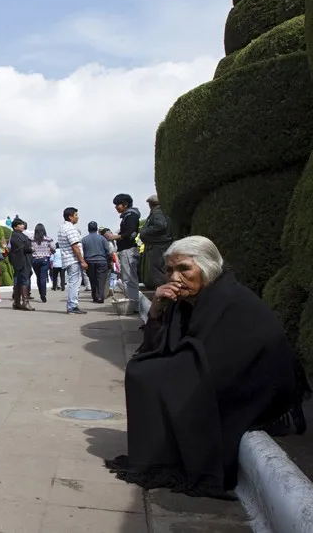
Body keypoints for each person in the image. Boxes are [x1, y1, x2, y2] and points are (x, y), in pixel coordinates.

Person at [106, 236, 311, 498]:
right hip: (215, 365)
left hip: (253, 381)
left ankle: (168, 458)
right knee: (143, 370)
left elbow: (217, 357)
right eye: (169, 270)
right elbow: (161, 347)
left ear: (207, 268)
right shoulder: (187, 299)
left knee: (148, 376)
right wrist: (156, 308)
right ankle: (158, 454)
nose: (175, 277)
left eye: (184, 269)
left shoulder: (227, 298)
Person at [105, 194, 141, 309]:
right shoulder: (127, 215)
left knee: (130, 279)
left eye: (118, 205)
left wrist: (114, 237)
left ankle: (133, 305)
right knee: (127, 279)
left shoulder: (131, 216)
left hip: (128, 250)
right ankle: (132, 303)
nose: (116, 207)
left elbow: (130, 233)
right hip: (126, 250)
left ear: (125, 204)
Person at [56, 207, 87, 315]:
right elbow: (75, 246)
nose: (77, 217)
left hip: (67, 259)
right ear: (70, 217)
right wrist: (82, 261)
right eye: (76, 215)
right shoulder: (70, 229)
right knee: (75, 283)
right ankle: (72, 306)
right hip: (73, 259)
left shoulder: (62, 228)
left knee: (73, 283)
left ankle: (72, 305)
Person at [140, 195, 173, 290]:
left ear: (151, 204)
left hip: (158, 246)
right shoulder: (160, 212)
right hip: (159, 245)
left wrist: (144, 232)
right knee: (159, 269)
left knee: (157, 270)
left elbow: (161, 225)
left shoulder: (157, 213)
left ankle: (162, 291)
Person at [7, 218, 35, 311]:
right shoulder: (15, 236)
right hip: (21, 261)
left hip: (23, 260)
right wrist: (31, 249)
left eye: (22, 224)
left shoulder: (20, 235)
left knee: (19, 281)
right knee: (24, 281)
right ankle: (24, 302)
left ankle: (17, 302)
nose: (22, 226)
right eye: (20, 224)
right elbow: (21, 248)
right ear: (15, 227)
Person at [81, 221, 111, 304]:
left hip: (89, 262)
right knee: (101, 280)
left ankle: (95, 296)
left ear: (88, 229)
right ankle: (100, 297)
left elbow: (82, 252)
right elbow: (107, 251)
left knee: (92, 279)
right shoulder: (102, 238)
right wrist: (109, 261)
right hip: (102, 261)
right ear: (97, 229)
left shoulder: (84, 239)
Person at [30, 224, 54, 303]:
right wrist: (51, 252)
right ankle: (43, 294)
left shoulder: (32, 239)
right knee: (43, 277)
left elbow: (30, 248)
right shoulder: (48, 239)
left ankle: (40, 293)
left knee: (38, 277)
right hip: (44, 259)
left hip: (35, 260)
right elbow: (53, 247)